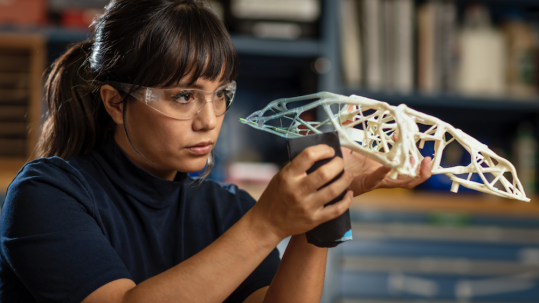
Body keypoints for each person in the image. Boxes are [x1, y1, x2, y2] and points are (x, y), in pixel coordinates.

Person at [0, 1, 432, 302]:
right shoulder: (47, 194)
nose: (209, 119)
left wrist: (322, 208)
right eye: (184, 97)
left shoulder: (224, 209)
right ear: (116, 102)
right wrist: (266, 224)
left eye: (221, 93)